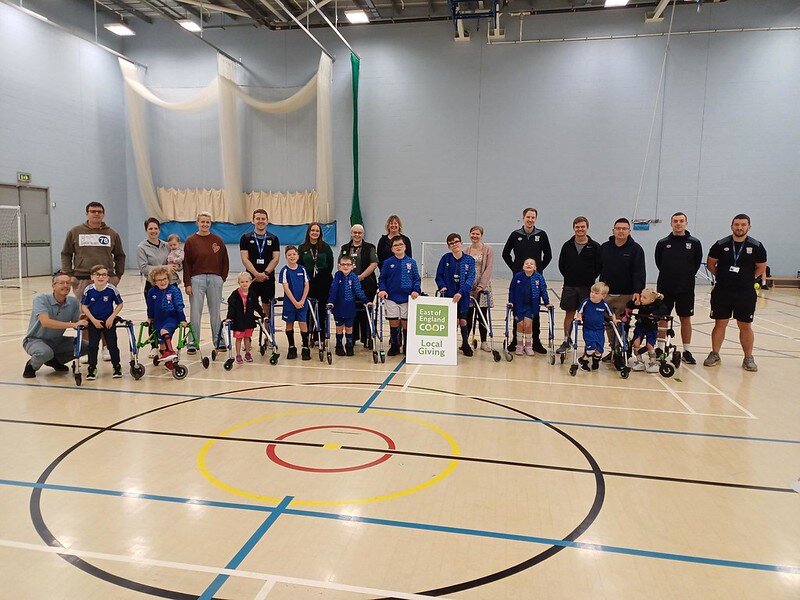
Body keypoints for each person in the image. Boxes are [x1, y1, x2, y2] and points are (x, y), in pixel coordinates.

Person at [61, 201, 125, 362]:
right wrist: (70, 274)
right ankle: (87, 347)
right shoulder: (75, 232)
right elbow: (66, 253)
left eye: (99, 211)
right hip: (82, 279)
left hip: (106, 279)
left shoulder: (112, 233)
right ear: (87, 213)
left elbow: (120, 255)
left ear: (103, 214)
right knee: (84, 315)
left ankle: (106, 348)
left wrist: (118, 275)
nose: (96, 214)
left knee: (105, 313)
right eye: (92, 211)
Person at [704, 214, 767, 372]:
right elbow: (711, 264)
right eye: (736, 224)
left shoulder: (757, 246)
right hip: (722, 291)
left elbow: (761, 267)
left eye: (743, 225)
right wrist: (723, 276)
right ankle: (715, 354)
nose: (740, 227)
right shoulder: (720, 244)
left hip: (745, 293)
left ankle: (748, 358)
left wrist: (747, 278)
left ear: (749, 227)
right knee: (720, 323)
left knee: (745, 325)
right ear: (731, 226)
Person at [654, 212, 703, 365]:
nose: (678, 224)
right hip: (665, 287)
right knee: (662, 318)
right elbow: (659, 262)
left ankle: (687, 351)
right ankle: (660, 348)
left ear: (686, 223)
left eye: (681, 221)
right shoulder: (663, 243)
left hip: (685, 288)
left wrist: (684, 276)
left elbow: (696, 263)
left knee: (685, 319)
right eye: (675, 221)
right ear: (671, 223)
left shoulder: (694, 243)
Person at [502, 208, 552, 353]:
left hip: (535, 279)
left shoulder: (541, 235)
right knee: (516, 310)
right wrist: (515, 269)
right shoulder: (515, 235)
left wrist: (539, 269)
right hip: (519, 278)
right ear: (523, 218)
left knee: (534, 310)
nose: (530, 220)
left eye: (533, 217)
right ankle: (514, 342)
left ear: (536, 219)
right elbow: (506, 253)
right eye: (528, 217)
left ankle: (535, 342)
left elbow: (548, 255)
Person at [22, 273, 88, 378]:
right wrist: (73, 324)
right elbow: (45, 322)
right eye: (61, 283)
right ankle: (31, 366)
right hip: (35, 340)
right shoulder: (41, 299)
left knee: (86, 346)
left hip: (57, 341)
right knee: (44, 352)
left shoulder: (73, 301)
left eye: (68, 283)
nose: (65, 285)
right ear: (53, 286)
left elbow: (78, 323)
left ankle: (54, 361)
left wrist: (87, 318)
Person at [599, 218, 646, 360]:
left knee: (622, 324)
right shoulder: (605, 247)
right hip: (606, 294)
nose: (621, 231)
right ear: (613, 230)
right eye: (618, 228)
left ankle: (621, 351)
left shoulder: (636, 249)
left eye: (624, 229)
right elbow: (597, 267)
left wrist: (637, 291)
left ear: (629, 231)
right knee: (608, 324)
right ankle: (614, 350)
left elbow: (639, 272)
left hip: (626, 295)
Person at [183, 212, 229, 354]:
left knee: (215, 313)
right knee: (195, 313)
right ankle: (192, 342)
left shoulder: (218, 240)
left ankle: (219, 341)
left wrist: (222, 278)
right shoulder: (190, 241)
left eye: (207, 222)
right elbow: (187, 264)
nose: (205, 224)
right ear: (197, 223)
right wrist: (187, 283)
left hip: (215, 279)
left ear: (210, 224)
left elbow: (225, 261)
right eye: (202, 222)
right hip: (197, 279)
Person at [557, 216, 602, 354]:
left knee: (587, 315)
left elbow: (599, 266)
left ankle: (589, 343)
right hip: (570, 285)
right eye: (577, 227)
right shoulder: (567, 245)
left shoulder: (595, 246)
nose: (580, 229)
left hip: (587, 287)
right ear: (574, 228)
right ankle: (566, 340)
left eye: (582, 226)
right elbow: (561, 265)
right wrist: (570, 276)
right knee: (569, 313)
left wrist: (588, 277)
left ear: (587, 228)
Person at [378, 236, 422, 356]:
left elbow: (416, 279)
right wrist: (382, 290)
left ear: (405, 247)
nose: (398, 247)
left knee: (405, 322)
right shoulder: (387, 263)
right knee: (393, 322)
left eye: (400, 245)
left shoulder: (411, 263)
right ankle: (395, 345)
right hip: (391, 297)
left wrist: (416, 290)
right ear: (392, 249)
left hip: (407, 298)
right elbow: (382, 279)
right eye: (395, 245)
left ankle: (407, 345)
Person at [435, 233, 476, 357]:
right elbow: (439, 275)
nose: (454, 245)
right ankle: (449, 344)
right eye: (451, 243)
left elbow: (470, 279)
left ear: (461, 243)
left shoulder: (469, 260)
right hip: (448, 295)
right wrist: (442, 286)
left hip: (462, 296)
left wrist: (461, 292)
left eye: (456, 242)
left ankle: (465, 344)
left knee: (463, 319)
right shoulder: (445, 259)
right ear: (448, 246)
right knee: (451, 320)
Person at [81, 264, 124, 380]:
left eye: (104, 275)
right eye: (98, 275)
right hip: (94, 322)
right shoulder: (89, 290)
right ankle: (92, 368)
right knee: (92, 346)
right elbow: (84, 306)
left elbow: (120, 304)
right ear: (92, 277)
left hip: (108, 322)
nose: (101, 277)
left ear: (107, 277)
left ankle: (116, 366)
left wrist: (112, 317)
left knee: (112, 345)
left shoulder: (111, 289)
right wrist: (92, 320)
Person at [136, 217, 171, 359]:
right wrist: (164, 268)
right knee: (153, 316)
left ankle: (167, 345)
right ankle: (154, 345)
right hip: (152, 286)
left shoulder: (166, 245)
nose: (153, 231)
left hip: (168, 285)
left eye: (155, 228)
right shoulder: (141, 248)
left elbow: (174, 262)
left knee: (168, 315)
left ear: (159, 230)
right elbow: (144, 268)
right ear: (146, 230)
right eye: (150, 228)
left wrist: (176, 265)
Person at [340, 224, 378, 347]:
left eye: (359, 233)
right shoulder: (345, 248)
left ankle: (367, 338)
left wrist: (361, 277)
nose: (357, 235)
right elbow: (340, 264)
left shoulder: (370, 247)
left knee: (366, 310)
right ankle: (353, 338)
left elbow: (373, 264)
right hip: (348, 284)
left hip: (367, 284)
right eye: (355, 232)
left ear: (363, 234)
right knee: (351, 310)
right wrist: (347, 276)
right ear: (351, 233)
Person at [507, 258, 553, 356]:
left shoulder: (538, 278)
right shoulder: (518, 276)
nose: (529, 265)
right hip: (518, 306)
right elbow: (512, 290)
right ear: (523, 266)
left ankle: (528, 346)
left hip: (531, 306)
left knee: (528, 325)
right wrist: (510, 301)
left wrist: (547, 302)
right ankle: (519, 346)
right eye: (526, 263)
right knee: (519, 325)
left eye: (531, 264)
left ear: (535, 267)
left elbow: (543, 290)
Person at [240, 209, 280, 317]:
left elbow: (275, 258)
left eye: (263, 219)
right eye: (258, 218)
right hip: (251, 279)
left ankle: (268, 331)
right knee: (249, 305)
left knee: (267, 306)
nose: (260, 221)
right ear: (253, 220)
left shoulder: (274, 238)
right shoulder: (245, 238)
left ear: (267, 221)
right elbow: (245, 259)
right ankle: (248, 331)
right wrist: (256, 274)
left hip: (268, 278)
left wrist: (265, 273)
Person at [299, 222, 334, 342]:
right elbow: (300, 265)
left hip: (324, 281)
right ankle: (308, 332)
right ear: (309, 232)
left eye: (317, 231)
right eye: (312, 230)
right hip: (309, 282)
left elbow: (330, 264)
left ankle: (321, 333)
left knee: (322, 308)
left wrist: (323, 276)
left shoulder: (325, 247)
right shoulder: (302, 248)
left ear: (320, 233)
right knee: (309, 308)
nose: (315, 233)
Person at [146, 266, 187, 366]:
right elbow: (150, 306)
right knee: (162, 344)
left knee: (164, 331)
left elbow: (179, 305)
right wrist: (149, 318)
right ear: (154, 282)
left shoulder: (174, 290)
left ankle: (171, 352)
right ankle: (169, 364)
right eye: (159, 280)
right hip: (158, 319)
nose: (162, 282)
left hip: (171, 318)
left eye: (164, 279)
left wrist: (182, 319)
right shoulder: (152, 292)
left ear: (168, 279)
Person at [329, 255, 369, 356]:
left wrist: (366, 300)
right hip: (338, 306)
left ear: (352, 266)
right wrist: (331, 302)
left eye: (348, 265)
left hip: (349, 306)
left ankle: (349, 345)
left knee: (349, 327)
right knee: (339, 327)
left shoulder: (354, 277)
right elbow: (333, 290)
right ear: (339, 266)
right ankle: (339, 345)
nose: (345, 267)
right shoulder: (337, 275)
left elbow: (358, 291)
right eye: (343, 264)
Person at [622, 288, 668, 373]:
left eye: (644, 297)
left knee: (650, 345)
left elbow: (664, 310)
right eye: (641, 296)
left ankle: (653, 362)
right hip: (640, 326)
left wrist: (654, 314)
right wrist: (634, 303)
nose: (641, 299)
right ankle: (639, 361)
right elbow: (629, 305)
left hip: (651, 328)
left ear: (652, 300)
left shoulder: (657, 304)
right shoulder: (641, 304)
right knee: (636, 343)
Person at [225, 272, 265, 364]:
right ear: (239, 283)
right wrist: (229, 317)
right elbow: (231, 306)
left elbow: (256, 306)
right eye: (242, 282)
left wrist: (263, 314)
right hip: (238, 320)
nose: (244, 283)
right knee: (239, 338)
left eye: (247, 281)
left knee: (247, 337)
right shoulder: (235, 294)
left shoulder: (252, 294)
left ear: (250, 282)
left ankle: (247, 353)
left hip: (248, 320)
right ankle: (238, 355)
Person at [279, 245, 311, 361]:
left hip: (302, 303)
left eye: (294, 254)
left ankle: (306, 348)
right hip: (290, 303)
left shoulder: (302, 269)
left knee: (303, 323)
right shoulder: (284, 271)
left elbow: (307, 285)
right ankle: (291, 347)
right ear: (286, 257)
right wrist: (295, 302)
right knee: (289, 324)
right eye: (289, 255)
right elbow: (286, 288)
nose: (292, 256)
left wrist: (302, 300)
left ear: (298, 256)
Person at [575, 281, 616, 371]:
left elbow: (611, 313)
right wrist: (579, 318)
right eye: (592, 292)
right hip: (588, 329)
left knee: (599, 350)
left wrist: (615, 320)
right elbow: (579, 312)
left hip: (600, 330)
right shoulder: (586, 302)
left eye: (596, 293)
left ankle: (595, 361)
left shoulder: (604, 304)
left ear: (603, 296)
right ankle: (583, 360)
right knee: (591, 348)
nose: (593, 294)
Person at [466, 226, 495, 353]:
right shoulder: (466, 250)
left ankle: (484, 342)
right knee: (468, 314)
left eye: (477, 234)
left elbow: (489, 267)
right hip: (469, 286)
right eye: (473, 233)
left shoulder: (488, 249)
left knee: (482, 314)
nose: (475, 236)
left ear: (481, 235)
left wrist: (481, 285)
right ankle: (465, 341)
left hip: (482, 285)